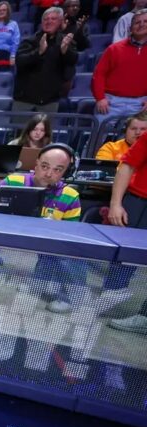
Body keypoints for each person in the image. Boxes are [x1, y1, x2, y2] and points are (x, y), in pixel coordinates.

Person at [0, 143, 82, 313]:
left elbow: (72, 234)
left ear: (66, 171)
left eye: (58, 170)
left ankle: (67, 297)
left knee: (71, 250)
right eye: (44, 166)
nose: (49, 173)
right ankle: (38, 285)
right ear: (36, 164)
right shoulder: (12, 181)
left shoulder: (70, 196)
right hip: (11, 232)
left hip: (46, 238)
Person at [103, 130, 147, 333]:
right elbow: (127, 166)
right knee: (123, 256)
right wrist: (115, 204)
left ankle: (144, 318)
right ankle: (108, 298)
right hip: (139, 202)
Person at [13, 7, 77, 113]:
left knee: (45, 130)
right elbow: (20, 61)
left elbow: (72, 63)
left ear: (60, 22)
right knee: (20, 130)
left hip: (50, 102)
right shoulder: (30, 41)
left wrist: (65, 51)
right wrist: (38, 52)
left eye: (53, 19)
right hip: (24, 101)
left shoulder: (66, 42)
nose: (49, 22)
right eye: (46, 19)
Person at [91, 9, 147, 124]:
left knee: (136, 141)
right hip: (110, 103)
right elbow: (99, 74)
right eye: (137, 22)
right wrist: (100, 98)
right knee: (98, 139)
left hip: (140, 105)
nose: (141, 25)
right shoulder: (114, 49)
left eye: (145, 21)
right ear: (130, 29)